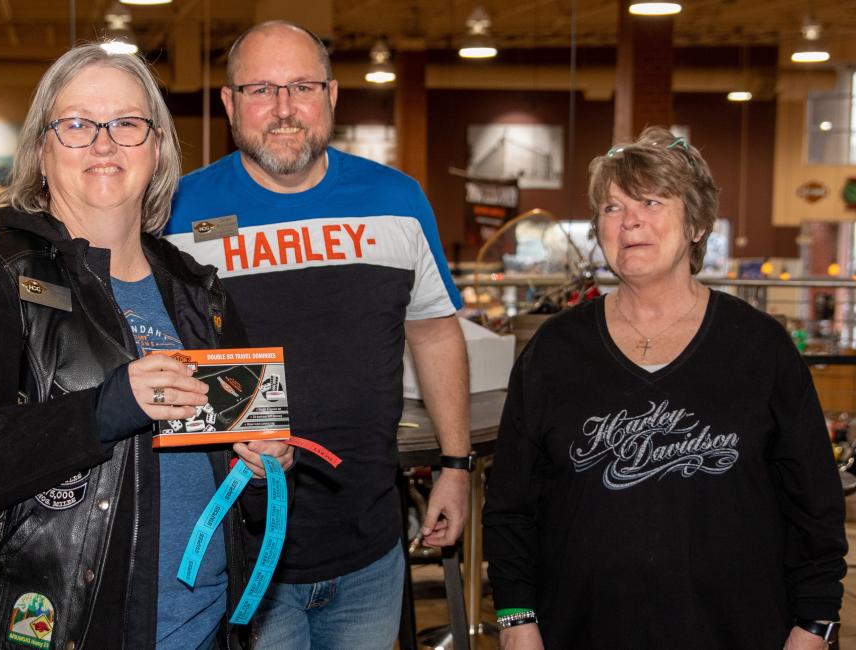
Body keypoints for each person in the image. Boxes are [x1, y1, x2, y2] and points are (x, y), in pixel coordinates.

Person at [0, 44, 292, 650]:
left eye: (127, 123)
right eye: (76, 124)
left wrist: (261, 472)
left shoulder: (200, 290)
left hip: (204, 630)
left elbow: (240, 488)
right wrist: (103, 410)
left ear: (157, 149)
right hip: (41, 631)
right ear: (41, 151)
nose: (103, 144)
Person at [165, 21, 471, 649]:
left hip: (369, 547)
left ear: (331, 96)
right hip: (238, 553)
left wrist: (456, 466)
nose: (283, 108)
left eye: (301, 86)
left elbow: (435, 334)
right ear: (229, 103)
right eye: (260, 89)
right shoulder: (176, 214)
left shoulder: (398, 202)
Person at [482, 126, 847, 650]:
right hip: (579, 629)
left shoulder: (760, 348)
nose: (629, 220)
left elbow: (814, 502)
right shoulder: (555, 350)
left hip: (737, 631)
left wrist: (814, 624)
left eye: (651, 202)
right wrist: (516, 617)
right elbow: (511, 502)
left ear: (696, 224)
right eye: (612, 207)